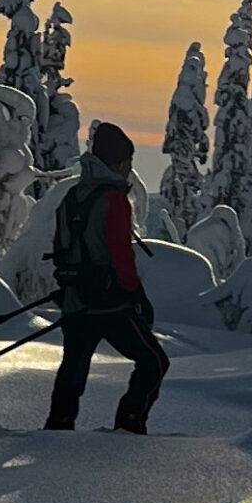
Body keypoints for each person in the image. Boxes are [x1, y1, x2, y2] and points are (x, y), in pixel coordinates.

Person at [44, 122, 169, 434]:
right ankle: (130, 424)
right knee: (154, 361)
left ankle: (58, 426)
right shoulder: (113, 199)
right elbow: (120, 254)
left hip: (76, 298)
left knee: (74, 364)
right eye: (126, 162)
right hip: (110, 302)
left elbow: (60, 246)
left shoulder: (73, 196)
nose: (129, 169)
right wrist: (135, 293)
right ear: (116, 163)